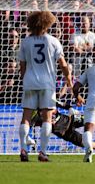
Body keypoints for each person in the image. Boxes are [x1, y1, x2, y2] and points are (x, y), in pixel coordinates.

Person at [18, 11, 73, 162]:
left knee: (26, 117)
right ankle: (42, 152)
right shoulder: (53, 41)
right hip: (47, 83)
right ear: (47, 24)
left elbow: (22, 66)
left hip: (29, 82)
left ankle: (23, 149)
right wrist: (68, 79)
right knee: (47, 117)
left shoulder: (26, 42)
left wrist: (25, 80)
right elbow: (63, 64)